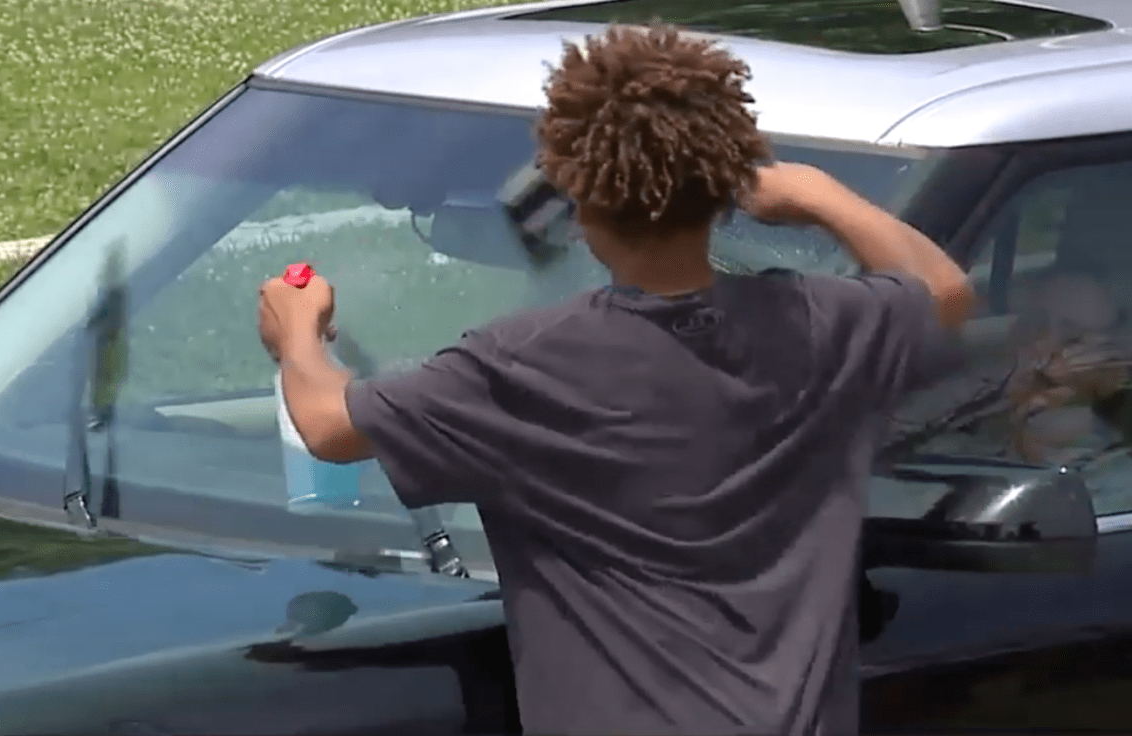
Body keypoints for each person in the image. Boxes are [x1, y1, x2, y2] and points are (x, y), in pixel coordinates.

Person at [257, 23, 975, 736]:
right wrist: (819, 195)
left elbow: (327, 423)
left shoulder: (525, 366)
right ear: (730, 174)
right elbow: (942, 291)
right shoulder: (825, 325)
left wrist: (297, 332)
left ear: (576, 190)